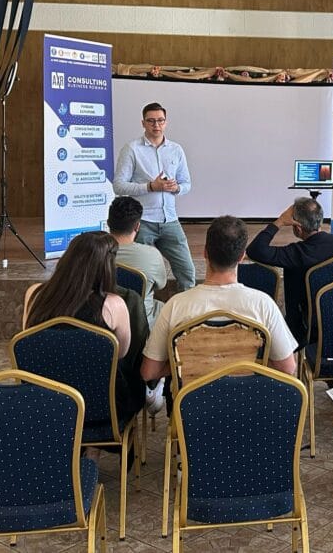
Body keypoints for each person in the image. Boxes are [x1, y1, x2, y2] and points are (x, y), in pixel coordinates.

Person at [141, 215, 298, 381]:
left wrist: (188, 363)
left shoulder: (175, 305)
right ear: (242, 256)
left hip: (191, 397)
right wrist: (249, 363)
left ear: (205, 252)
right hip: (245, 396)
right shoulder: (263, 304)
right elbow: (288, 368)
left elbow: (148, 373)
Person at [23, 231, 144, 424]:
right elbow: (121, 353)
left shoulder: (35, 294)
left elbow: (29, 343)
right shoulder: (113, 305)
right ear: (108, 267)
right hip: (101, 409)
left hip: (45, 404)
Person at [245, 197, 333, 343]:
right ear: (320, 220)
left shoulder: (296, 254)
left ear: (298, 228)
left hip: (312, 330)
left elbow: (255, 250)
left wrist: (280, 221)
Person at [112, 102, 196, 292]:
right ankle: (143, 308)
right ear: (143, 123)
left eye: (160, 120)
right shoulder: (132, 149)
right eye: (151, 121)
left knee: (187, 271)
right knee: (141, 274)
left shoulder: (176, 149)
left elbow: (187, 184)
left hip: (170, 220)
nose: (156, 125)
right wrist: (150, 186)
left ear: (166, 122)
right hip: (143, 222)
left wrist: (176, 188)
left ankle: (186, 309)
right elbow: (119, 186)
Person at [107, 196, 168, 329]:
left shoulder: (91, 253)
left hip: (103, 319)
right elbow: (161, 285)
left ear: (108, 223)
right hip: (141, 324)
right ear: (137, 226)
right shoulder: (152, 255)